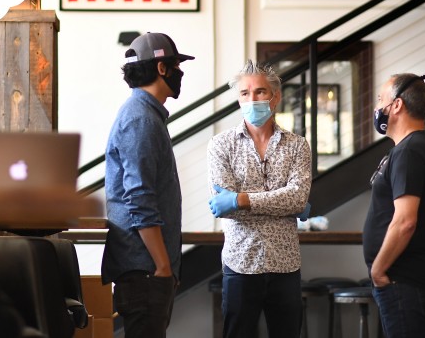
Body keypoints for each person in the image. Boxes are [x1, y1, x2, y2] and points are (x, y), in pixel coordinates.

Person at [207, 60, 311, 338]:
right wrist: (281, 202)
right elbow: (223, 207)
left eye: (260, 92)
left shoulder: (297, 145)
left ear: (275, 97)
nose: (252, 99)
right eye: (245, 93)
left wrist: (240, 199)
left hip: (285, 264)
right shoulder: (220, 145)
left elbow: (297, 199)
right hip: (241, 262)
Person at [101, 32, 194, 338]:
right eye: (177, 65)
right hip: (146, 270)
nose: (181, 73)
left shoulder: (145, 115)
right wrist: (163, 266)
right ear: (162, 68)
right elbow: (139, 197)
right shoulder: (140, 119)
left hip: (147, 269)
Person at [363, 73, 425, 338]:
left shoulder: (409, 151)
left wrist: (378, 269)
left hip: (404, 282)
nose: (377, 108)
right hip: (409, 280)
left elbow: (405, 221)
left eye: (380, 100)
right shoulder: (419, 145)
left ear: (396, 105)